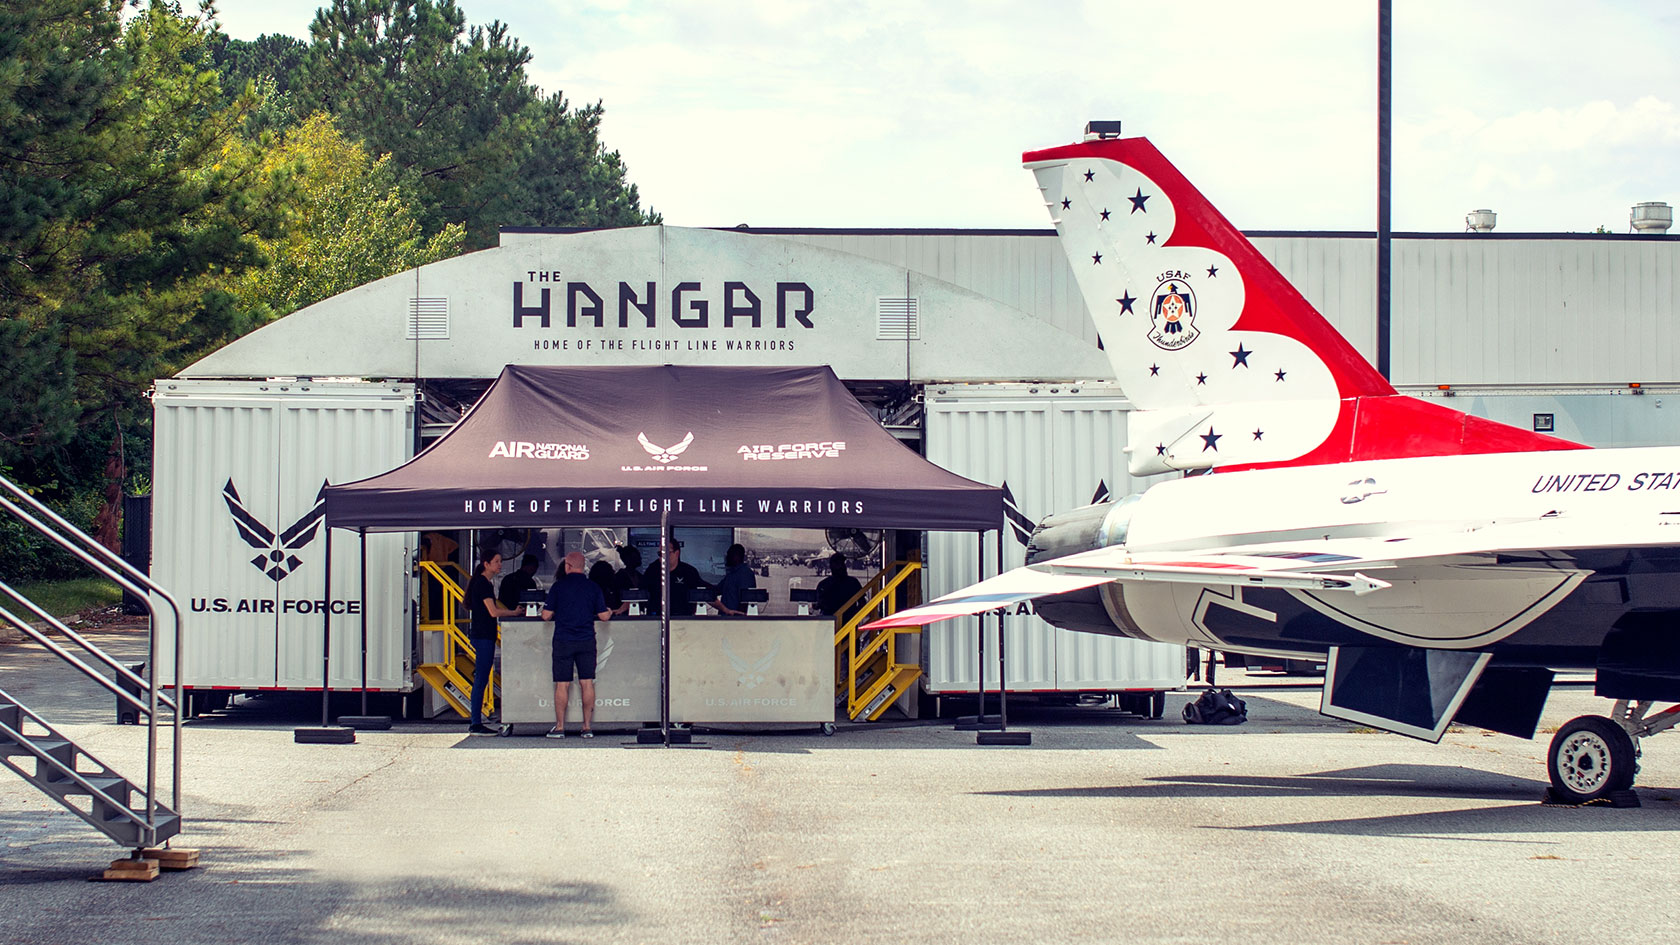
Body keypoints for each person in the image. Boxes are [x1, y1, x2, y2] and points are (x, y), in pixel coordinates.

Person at [542, 552, 611, 738]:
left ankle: (559, 727)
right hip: (587, 640)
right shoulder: (593, 587)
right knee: (586, 683)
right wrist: (611, 611)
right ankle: (587, 727)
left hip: (563, 640)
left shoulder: (558, 587)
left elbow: (546, 615)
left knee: (562, 685)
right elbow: (604, 616)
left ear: (568, 566)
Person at [466, 547, 520, 735]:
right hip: (483, 636)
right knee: (481, 679)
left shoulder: (482, 583)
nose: (500, 564)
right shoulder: (483, 584)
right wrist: (513, 612)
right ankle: (475, 723)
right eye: (496, 561)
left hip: (482, 635)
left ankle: (476, 721)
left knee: (482, 677)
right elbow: (493, 611)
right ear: (486, 564)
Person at [642, 535, 709, 616]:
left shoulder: (688, 571)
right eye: (660, 554)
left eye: (666, 553)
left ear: (677, 553)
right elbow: (637, 594)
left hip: (683, 618)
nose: (662, 557)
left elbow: (704, 594)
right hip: (656, 618)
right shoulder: (652, 570)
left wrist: (726, 610)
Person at [712, 543, 757, 616]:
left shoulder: (745, 573)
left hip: (735, 620)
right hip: (725, 618)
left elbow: (745, 601)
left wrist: (738, 619)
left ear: (736, 557)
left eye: (729, 555)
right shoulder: (730, 574)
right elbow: (716, 590)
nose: (726, 558)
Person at [816, 552, 864, 619]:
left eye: (842, 563)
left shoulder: (853, 582)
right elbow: (821, 604)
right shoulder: (824, 584)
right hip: (830, 621)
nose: (841, 566)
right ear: (832, 566)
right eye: (838, 564)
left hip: (848, 622)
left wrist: (854, 616)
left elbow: (862, 602)